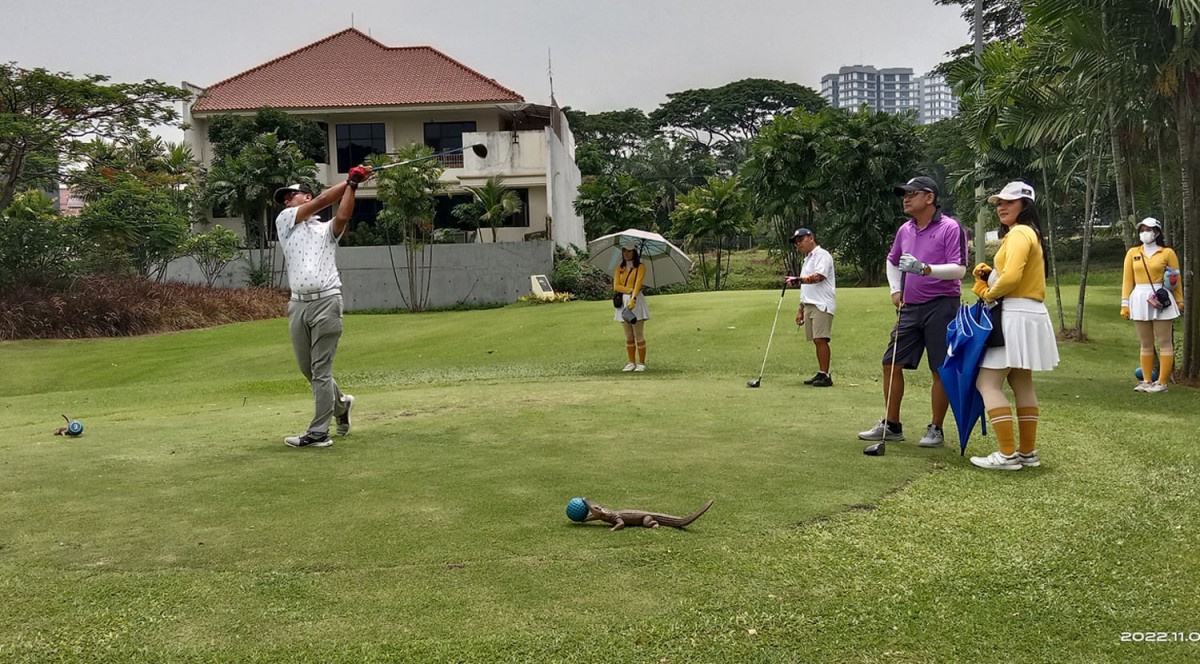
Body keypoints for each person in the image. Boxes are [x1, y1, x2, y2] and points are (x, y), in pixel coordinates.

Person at [860, 176, 967, 454]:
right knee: (890, 362)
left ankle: (936, 427)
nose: (905, 198)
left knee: (939, 368)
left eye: (912, 193)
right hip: (910, 306)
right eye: (904, 194)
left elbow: (958, 269)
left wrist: (925, 269)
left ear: (929, 198)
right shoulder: (905, 230)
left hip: (942, 304)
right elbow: (892, 260)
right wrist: (895, 290)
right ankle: (892, 425)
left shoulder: (949, 227)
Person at [274, 165, 373, 448]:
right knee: (309, 370)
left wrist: (353, 186)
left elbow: (342, 215)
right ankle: (341, 405)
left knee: (321, 370)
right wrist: (351, 180)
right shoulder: (286, 221)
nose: (286, 199)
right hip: (297, 306)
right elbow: (322, 202)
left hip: (327, 302)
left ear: (304, 196)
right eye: (285, 197)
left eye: (291, 195)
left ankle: (318, 433)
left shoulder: (324, 229)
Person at [968, 181, 1059, 470]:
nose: (1001, 207)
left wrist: (986, 292)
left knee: (987, 382)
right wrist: (989, 273)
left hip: (1014, 313)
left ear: (1025, 205)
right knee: (1021, 381)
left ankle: (1007, 453)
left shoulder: (1019, 232)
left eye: (1008, 202)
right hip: (1030, 313)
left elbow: (1011, 278)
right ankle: (1027, 452)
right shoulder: (1030, 233)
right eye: (998, 203)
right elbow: (1009, 274)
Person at [1121, 217, 1184, 393]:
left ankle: (1162, 382)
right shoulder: (1133, 252)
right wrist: (1124, 304)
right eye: (1142, 230)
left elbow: (1176, 280)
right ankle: (1146, 380)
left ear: (1157, 232)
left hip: (1161, 297)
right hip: (1139, 298)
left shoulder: (1167, 253)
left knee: (1164, 342)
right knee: (1145, 343)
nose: (1145, 233)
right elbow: (1127, 280)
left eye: (1148, 229)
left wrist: (1179, 300)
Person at [787, 228, 836, 387]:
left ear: (811, 238)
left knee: (821, 339)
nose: (798, 244)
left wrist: (798, 279)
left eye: (801, 240)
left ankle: (826, 376)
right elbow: (806, 287)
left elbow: (819, 277)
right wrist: (800, 309)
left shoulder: (822, 255)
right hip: (809, 303)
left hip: (821, 303)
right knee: (816, 340)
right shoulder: (807, 259)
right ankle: (821, 373)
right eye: (796, 242)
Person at [613, 245, 649, 372]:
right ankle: (631, 362)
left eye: (629, 251)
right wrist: (629, 290)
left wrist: (633, 298)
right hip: (623, 300)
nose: (626, 254)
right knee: (628, 334)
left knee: (638, 333)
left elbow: (638, 283)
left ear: (634, 252)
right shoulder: (619, 268)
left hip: (636, 301)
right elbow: (616, 286)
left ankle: (641, 362)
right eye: (624, 251)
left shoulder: (641, 267)